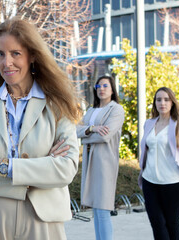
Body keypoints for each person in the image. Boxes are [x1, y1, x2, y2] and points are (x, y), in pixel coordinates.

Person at [0, 18, 81, 240]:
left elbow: (65, 169)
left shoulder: (57, 105)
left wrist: (0, 166)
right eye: (0, 54)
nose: (6, 62)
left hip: (41, 219)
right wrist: (39, 170)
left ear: (32, 55)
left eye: (15, 53)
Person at [138, 87, 179, 240]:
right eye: (158, 99)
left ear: (172, 102)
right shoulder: (149, 123)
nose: (162, 103)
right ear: (155, 103)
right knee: (157, 223)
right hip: (150, 182)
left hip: (174, 184)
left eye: (166, 99)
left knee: (171, 223)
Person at [76, 75, 125, 240]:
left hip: (105, 163)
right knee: (96, 210)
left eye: (105, 86)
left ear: (112, 89)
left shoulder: (116, 109)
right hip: (90, 163)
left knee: (103, 209)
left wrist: (85, 135)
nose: (101, 89)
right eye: (98, 86)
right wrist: (92, 128)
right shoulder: (90, 111)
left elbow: (105, 136)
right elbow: (76, 130)